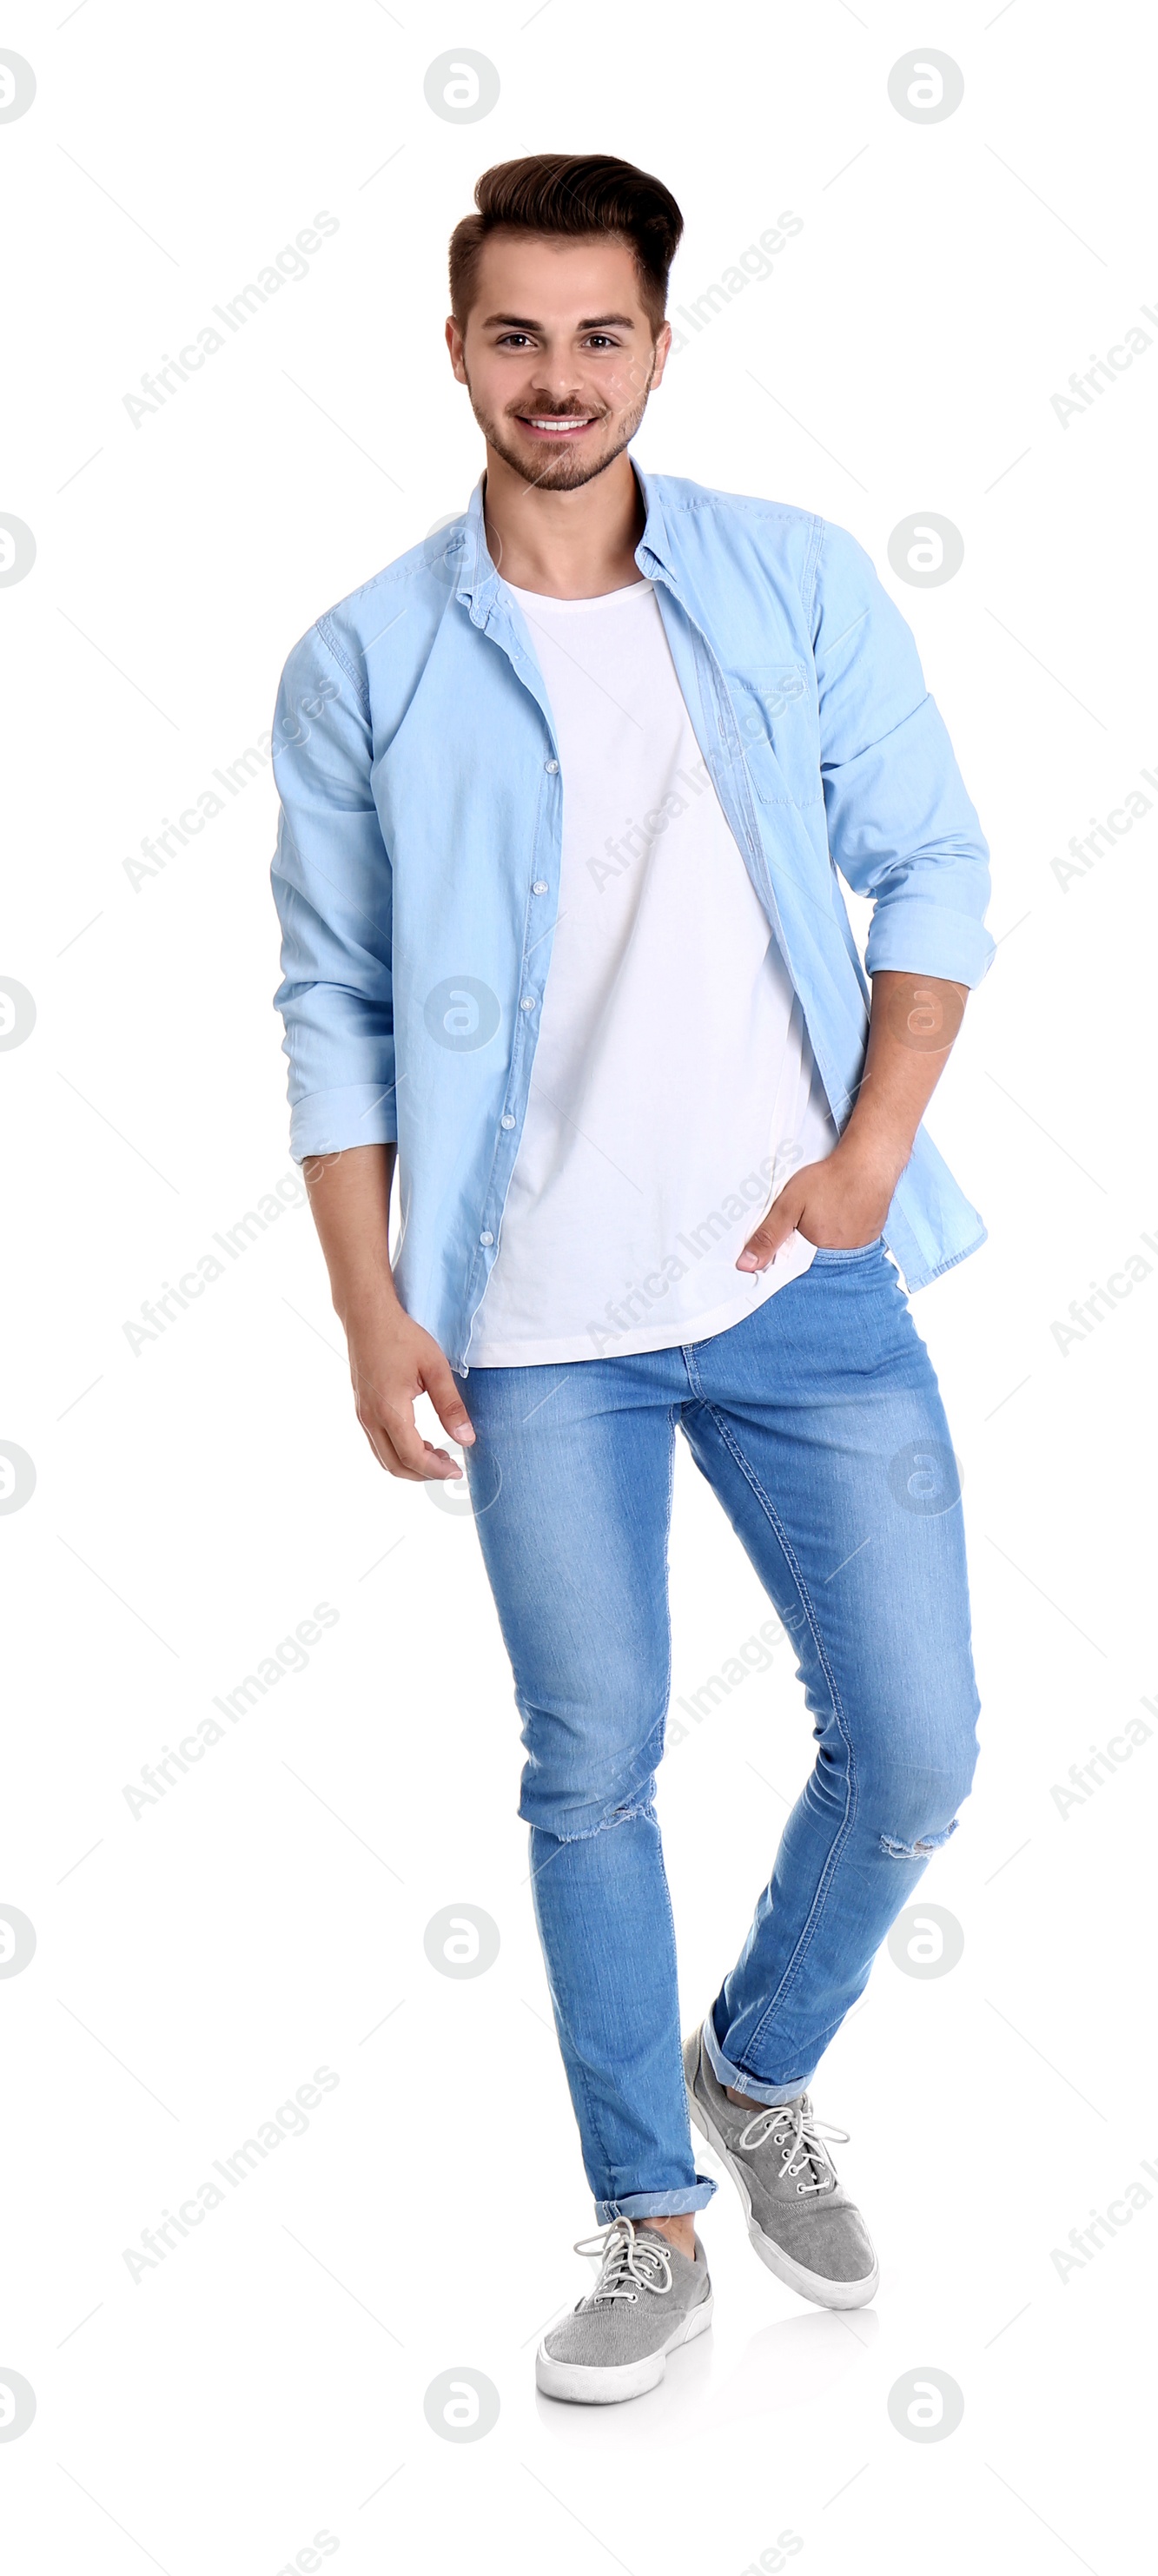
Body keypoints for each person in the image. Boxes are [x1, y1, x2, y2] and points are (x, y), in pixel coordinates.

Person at [270, 153, 993, 2408]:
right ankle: (649, 2219)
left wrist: (871, 1154)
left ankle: (754, 2062)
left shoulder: (786, 583)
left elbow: (937, 859)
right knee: (588, 1769)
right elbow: (336, 1009)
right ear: (456, 347)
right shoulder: (369, 662)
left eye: (601, 335)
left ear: (659, 348)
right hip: (532, 1328)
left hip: (801, 1281)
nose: (559, 377)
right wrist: (371, 1306)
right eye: (516, 334)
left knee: (921, 1747)